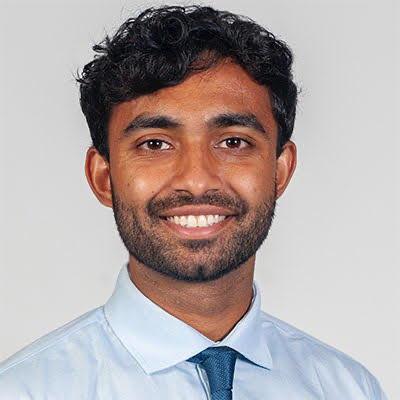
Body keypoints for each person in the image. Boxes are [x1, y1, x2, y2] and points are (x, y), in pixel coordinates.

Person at [0, 5, 388, 399]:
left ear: (280, 170)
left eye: (233, 142)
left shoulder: (349, 390)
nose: (197, 179)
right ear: (103, 177)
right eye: (155, 144)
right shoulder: (22, 391)